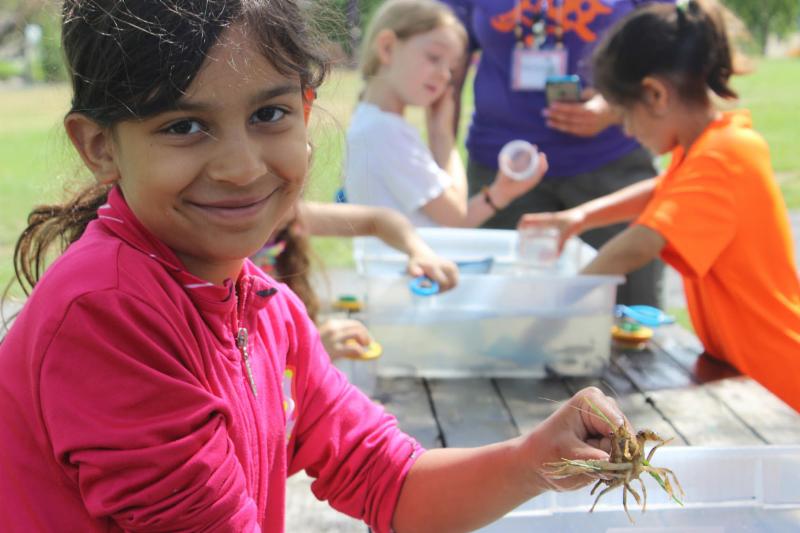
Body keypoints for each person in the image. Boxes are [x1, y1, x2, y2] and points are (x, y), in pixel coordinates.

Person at [0, 1, 631, 531]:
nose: (242, 166)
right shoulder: (109, 313)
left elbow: (390, 479)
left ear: (305, 112)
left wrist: (534, 460)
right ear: (100, 146)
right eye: (185, 125)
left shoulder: (263, 306)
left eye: (268, 114)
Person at [519, 0, 800, 411]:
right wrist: (577, 218)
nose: (629, 131)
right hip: (745, 376)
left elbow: (641, 243)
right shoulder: (708, 148)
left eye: (624, 117)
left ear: (655, 94)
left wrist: (559, 303)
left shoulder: (726, 155)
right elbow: (662, 190)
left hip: (779, 383)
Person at [440, 0, 671, 307]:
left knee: (626, 310)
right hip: (504, 171)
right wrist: (442, 174)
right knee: (499, 309)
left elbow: (667, 47)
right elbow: (444, 74)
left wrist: (614, 106)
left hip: (612, 165)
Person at [344, 0, 548, 228]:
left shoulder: (377, 124)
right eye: (434, 57)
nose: (444, 75)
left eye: (451, 68)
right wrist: (442, 136)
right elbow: (456, 219)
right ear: (388, 47)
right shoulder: (385, 133)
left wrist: (500, 193)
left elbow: (450, 220)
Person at [254, 201, 459, 360]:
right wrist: (311, 351)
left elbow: (377, 220)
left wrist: (420, 252)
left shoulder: (292, 215)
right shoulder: (229, 257)